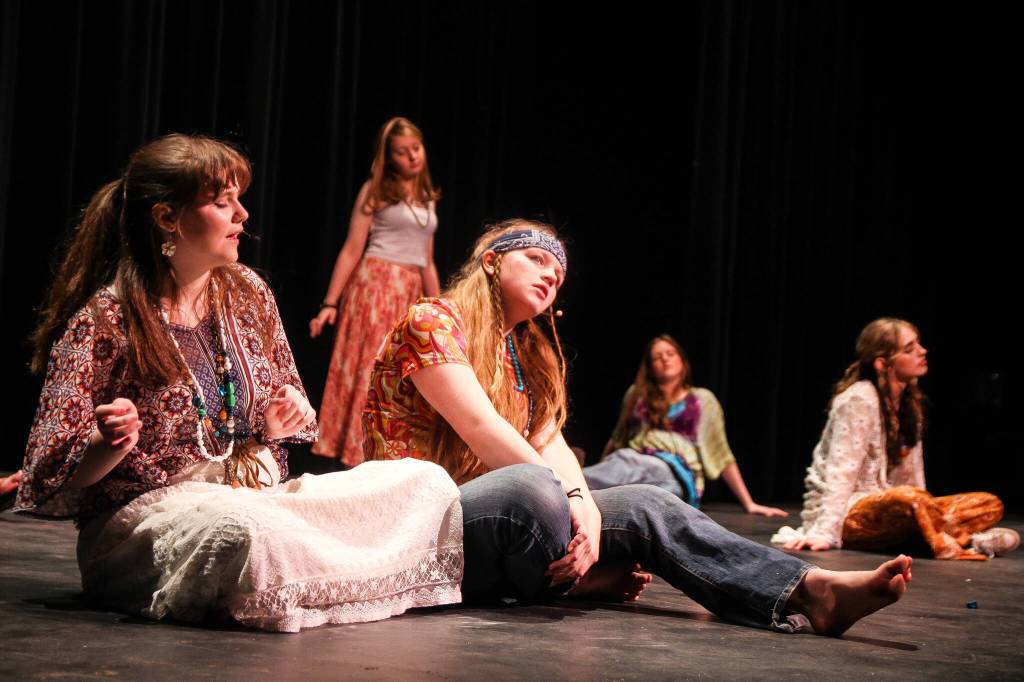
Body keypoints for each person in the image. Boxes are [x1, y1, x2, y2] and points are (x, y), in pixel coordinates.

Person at [363, 219, 915, 636]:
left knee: (645, 501)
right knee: (533, 488)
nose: (551, 275)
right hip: (432, 524)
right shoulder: (432, 320)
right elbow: (480, 426)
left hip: (513, 521)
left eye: (558, 274)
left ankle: (811, 592)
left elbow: (550, 443)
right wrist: (567, 499)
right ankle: (579, 581)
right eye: (536, 259)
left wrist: (583, 503)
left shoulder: (527, 355)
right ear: (490, 261)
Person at [15, 134, 463, 632]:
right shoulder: (108, 317)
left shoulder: (248, 293)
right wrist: (109, 443)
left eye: (239, 199)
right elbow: (52, 467)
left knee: (420, 482)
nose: (243, 214)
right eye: (222, 202)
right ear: (167, 218)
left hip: (255, 498)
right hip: (148, 523)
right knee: (245, 534)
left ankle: (309, 564)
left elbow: (280, 419)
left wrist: (275, 422)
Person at [771, 318, 1015, 560]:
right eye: (909, 349)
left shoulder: (909, 403)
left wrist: (923, 509)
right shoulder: (859, 399)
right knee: (908, 498)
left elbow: (914, 478)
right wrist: (825, 532)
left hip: (896, 508)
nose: (922, 351)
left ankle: (937, 536)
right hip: (849, 513)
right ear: (883, 364)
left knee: (990, 503)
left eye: (919, 344)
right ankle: (962, 539)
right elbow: (841, 472)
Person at [309, 116, 441, 468]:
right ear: (389, 157)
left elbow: (427, 261)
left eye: (416, 148)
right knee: (370, 367)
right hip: (376, 284)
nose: (412, 157)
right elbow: (352, 249)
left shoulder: (427, 198)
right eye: (401, 152)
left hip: (409, 288)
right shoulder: (376, 190)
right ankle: (357, 453)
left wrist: (440, 308)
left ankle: (388, 451)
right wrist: (330, 303)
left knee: (398, 372)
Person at [584, 334, 788, 516]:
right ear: (650, 368)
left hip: (674, 473)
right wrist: (604, 463)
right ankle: (577, 484)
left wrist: (749, 503)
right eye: (657, 357)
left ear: (682, 360)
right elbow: (617, 438)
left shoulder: (701, 400)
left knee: (635, 464)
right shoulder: (636, 395)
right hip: (633, 465)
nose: (665, 359)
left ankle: (573, 482)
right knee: (620, 472)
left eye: (670, 354)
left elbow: (720, 452)